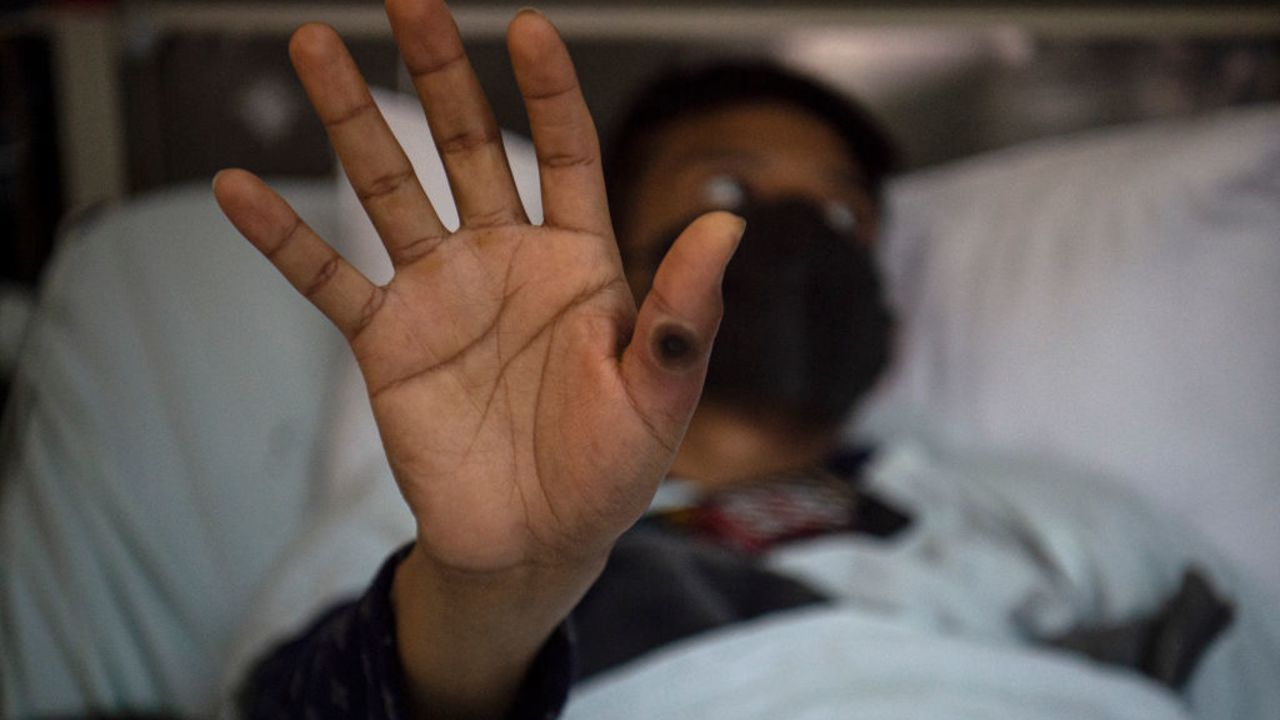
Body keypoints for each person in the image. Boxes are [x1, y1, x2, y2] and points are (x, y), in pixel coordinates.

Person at [214, 2, 1264, 718]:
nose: (799, 233)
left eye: (843, 216)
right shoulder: (433, 530)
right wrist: (492, 599)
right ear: (610, 262)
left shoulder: (1049, 520)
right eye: (728, 194)